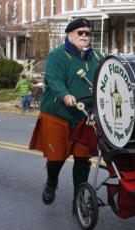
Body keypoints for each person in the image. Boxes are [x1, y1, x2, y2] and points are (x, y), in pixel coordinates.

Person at [29, 18, 103, 213]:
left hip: (85, 116)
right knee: (56, 157)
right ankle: (51, 182)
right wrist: (65, 95)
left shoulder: (97, 56)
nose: (85, 36)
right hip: (58, 113)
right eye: (81, 33)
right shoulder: (57, 55)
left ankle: (78, 199)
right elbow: (54, 80)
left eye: (88, 33)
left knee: (82, 158)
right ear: (69, 34)